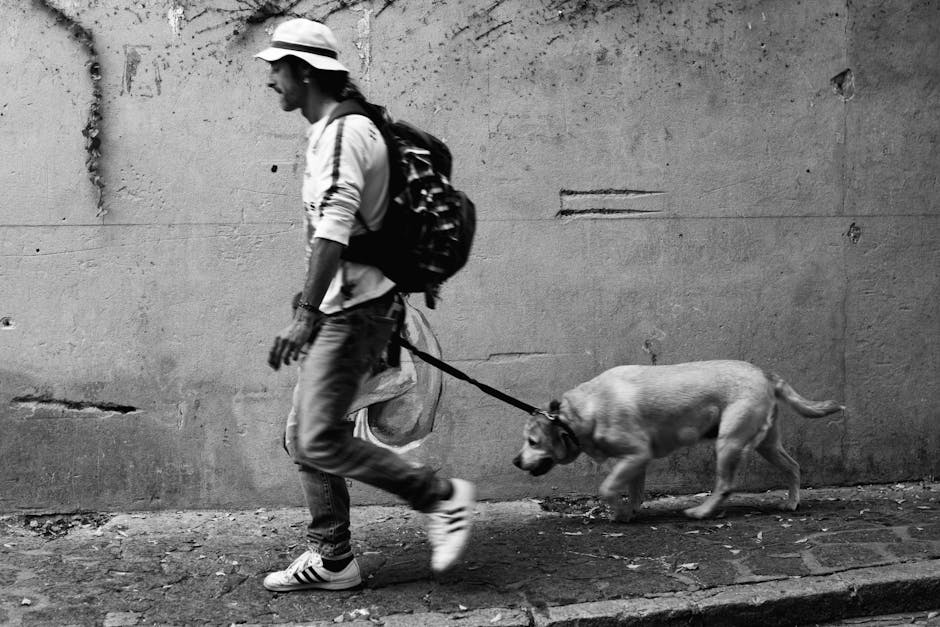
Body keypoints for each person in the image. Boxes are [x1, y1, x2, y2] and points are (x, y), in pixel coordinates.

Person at [254, 18, 475, 592]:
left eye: (277, 68)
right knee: (304, 435)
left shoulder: (342, 134)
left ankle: (438, 499)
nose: (271, 79)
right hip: (350, 309)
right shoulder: (341, 126)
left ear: (305, 72)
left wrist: (306, 311)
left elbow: (334, 223)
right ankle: (333, 557)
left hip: (354, 315)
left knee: (314, 438)